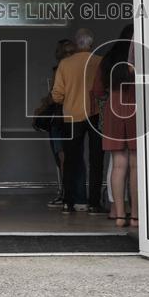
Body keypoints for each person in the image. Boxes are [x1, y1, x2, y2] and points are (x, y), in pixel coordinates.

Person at [51, 28, 103, 215]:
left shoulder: (65, 64)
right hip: (96, 115)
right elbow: (105, 90)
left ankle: (68, 202)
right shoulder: (100, 62)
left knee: (72, 160)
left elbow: (57, 95)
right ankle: (94, 204)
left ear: (76, 43)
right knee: (96, 160)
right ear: (92, 44)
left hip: (72, 116)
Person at [92, 24, 138, 228]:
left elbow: (97, 90)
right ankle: (136, 216)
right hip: (137, 105)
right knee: (136, 165)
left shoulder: (107, 59)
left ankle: (119, 215)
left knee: (118, 165)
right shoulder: (141, 56)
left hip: (114, 106)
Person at [45, 39, 78, 207]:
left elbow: (55, 96)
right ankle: (72, 194)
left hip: (62, 119)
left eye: (71, 52)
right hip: (73, 118)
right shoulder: (80, 69)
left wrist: (45, 104)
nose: (68, 56)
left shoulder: (60, 69)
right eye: (66, 52)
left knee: (63, 158)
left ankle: (66, 194)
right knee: (69, 158)